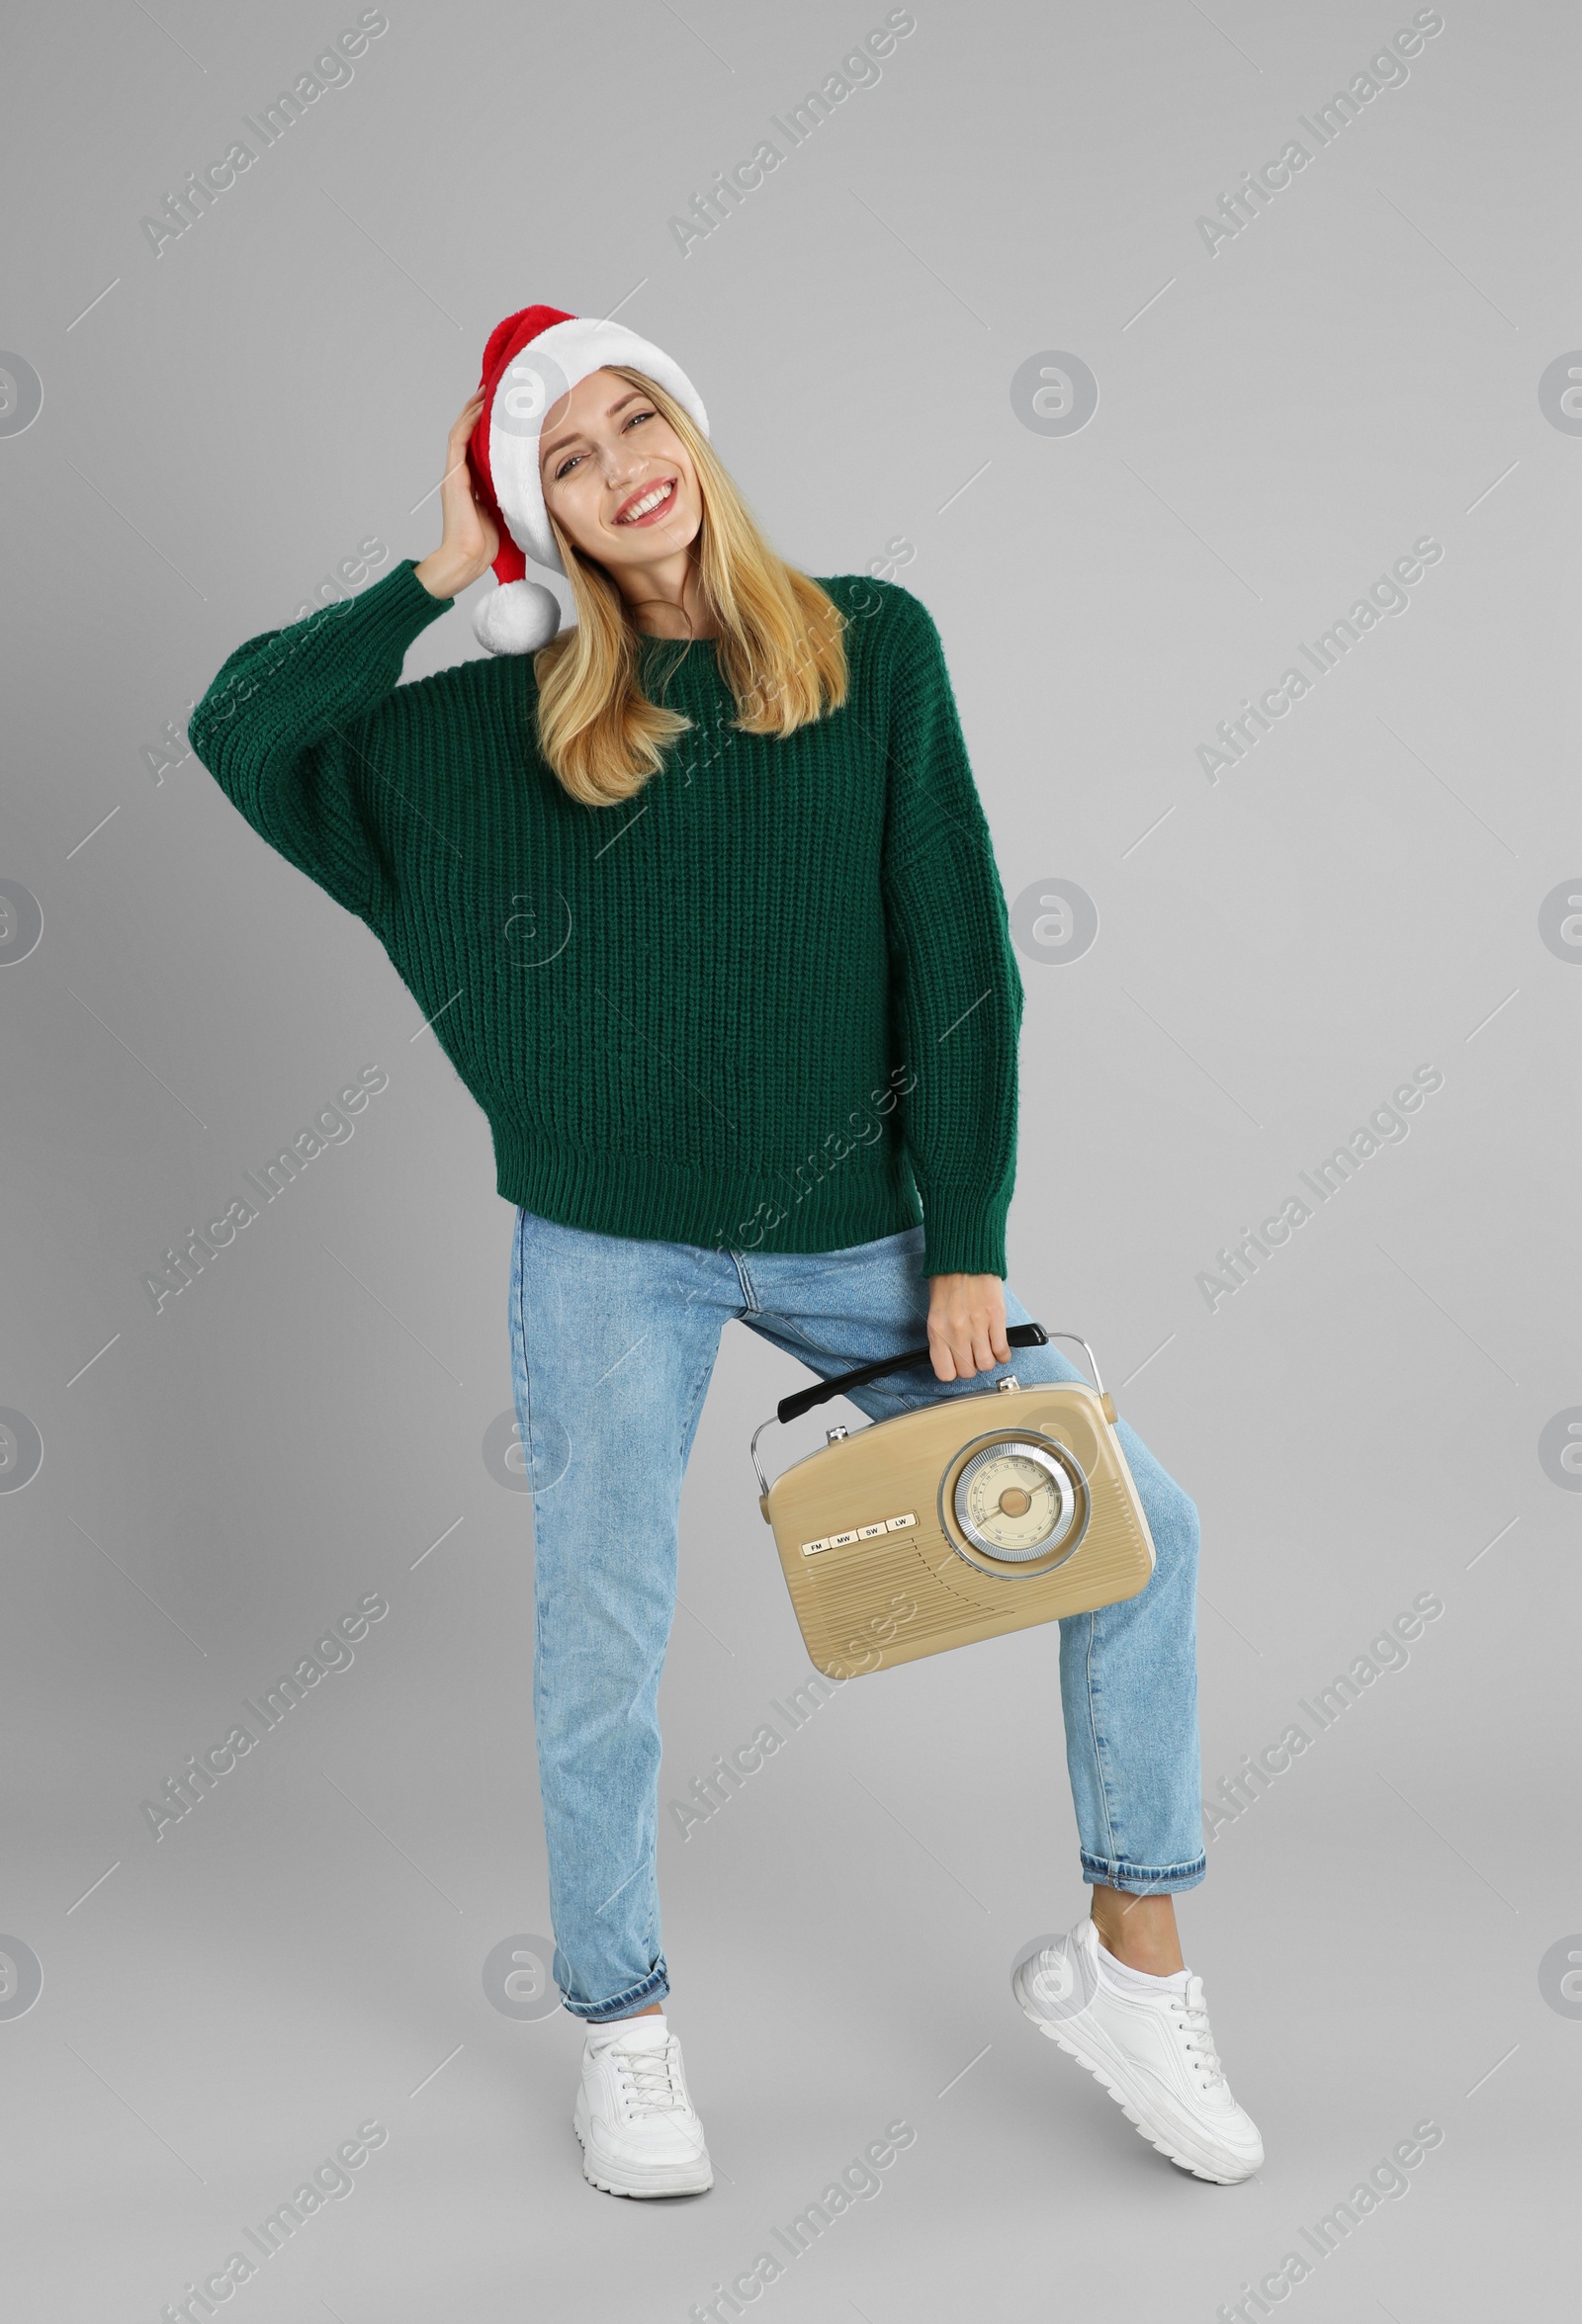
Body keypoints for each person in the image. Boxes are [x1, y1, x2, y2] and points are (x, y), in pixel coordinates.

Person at [189, 302, 1263, 2199]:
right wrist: (444, 566)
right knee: (601, 1636)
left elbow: (963, 957)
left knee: (1140, 1527)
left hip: (866, 1238)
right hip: (614, 1249)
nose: (627, 474)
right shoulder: (498, 727)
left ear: (689, 421)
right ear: (547, 518)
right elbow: (242, 728)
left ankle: (1132, 1963)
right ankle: (624, 2029)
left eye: (637, 422)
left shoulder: (870, 645)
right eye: (571, 463)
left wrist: (969, 1243)